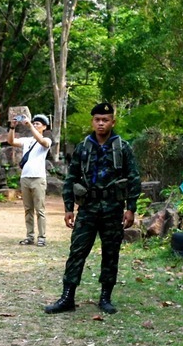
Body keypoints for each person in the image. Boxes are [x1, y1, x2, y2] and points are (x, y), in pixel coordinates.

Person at [44, 102, 141, 315]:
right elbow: (72, 177)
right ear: (92, 121)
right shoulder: (83, 147)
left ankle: (105, 297)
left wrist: (131, 208)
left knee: (110, 252)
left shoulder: (122, 147)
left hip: (112, 208)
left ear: (112, 122)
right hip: (87, 209)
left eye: (105, 120)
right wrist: (68, 207)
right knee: (77, 251)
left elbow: (133, 178)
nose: (101, 123)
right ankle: (67, 297)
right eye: (97, 119)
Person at [7, 113, 53, 246]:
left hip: (38, 178)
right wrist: (12, 127)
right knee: (28, 209)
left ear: (44, 127)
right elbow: (11, 141)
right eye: (35, 123)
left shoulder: (47, 140)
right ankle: (30, 236)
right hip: (25, 177)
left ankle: (42, 237)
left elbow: (42, 142)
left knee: (40, 209)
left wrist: (30, 126)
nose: (35, 125)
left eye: (38, 123)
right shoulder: (27, 140)